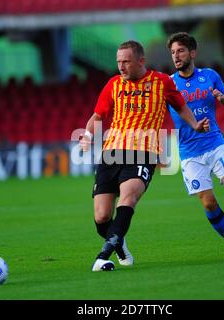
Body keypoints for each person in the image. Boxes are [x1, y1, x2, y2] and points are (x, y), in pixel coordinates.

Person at [80, 40, 210, 271]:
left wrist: (195, 125)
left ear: (141, 61)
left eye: (126, 62)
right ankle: (119, 244)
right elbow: (97, 115)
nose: (121, 66)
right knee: (101, 218)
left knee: (128, 198)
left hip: (145, 151)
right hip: (112, 153)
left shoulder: (162, 82)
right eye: (119, 62)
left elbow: (180, 107)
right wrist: (88, 135)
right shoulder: (113, 84)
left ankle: (102, 257)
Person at [166, 32, 224, 259]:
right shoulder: (168, 84)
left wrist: (221, 97)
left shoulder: (210, 76)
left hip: (214, 142)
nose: (176, 56)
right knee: (208, 202)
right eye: (173, 52)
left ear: (192, 53)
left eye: (181, 51)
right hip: (189, 153)